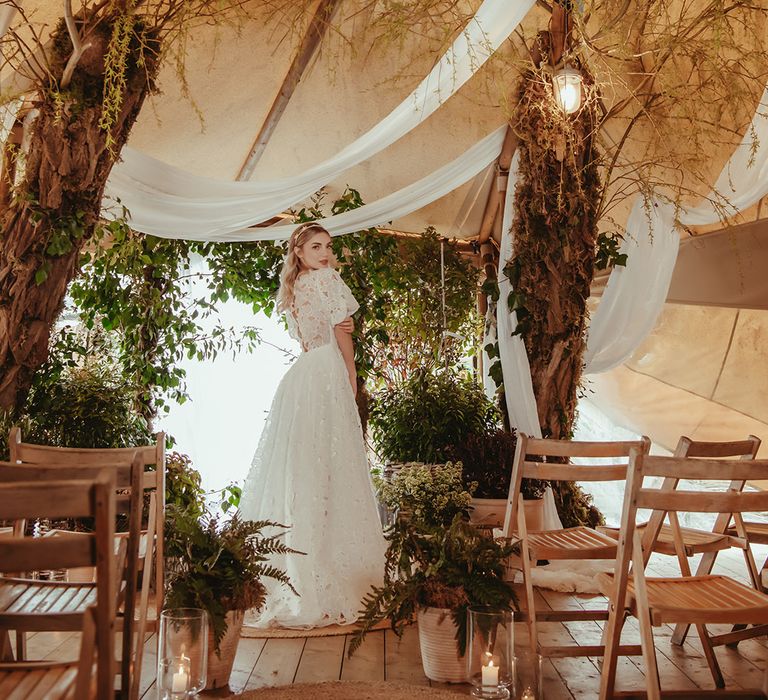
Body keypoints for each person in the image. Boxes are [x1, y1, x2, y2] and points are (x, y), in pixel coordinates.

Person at [239, 221, 386, 629]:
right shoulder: (328, 280)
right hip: (325, 375)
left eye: (328, 246)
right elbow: (343, 336)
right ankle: (331, 579)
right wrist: (352, 379)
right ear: (299, 251)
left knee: (303, 471)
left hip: (301, 378)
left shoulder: (294, 288)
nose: (325, 254)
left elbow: (306, 340)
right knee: (332, 467)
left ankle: (303, 577)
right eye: (316, 246)